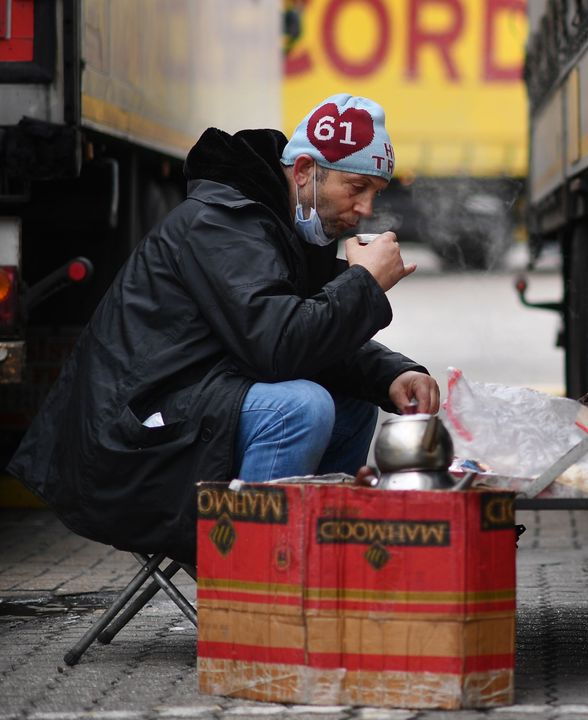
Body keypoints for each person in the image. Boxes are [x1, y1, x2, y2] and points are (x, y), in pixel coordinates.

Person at [7, 94, 437, 563]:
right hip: (128, 446)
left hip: (186, 415)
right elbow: (277, 345)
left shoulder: (283, 226)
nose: (367, 208)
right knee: (298, 408)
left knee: (352, 406)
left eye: (375, 192)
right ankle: (254, 581)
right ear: (304, 172)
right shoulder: (224, 222)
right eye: (356, 187)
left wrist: (391, 373)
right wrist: (365, 284)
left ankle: (314, 566)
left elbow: (309, 332)